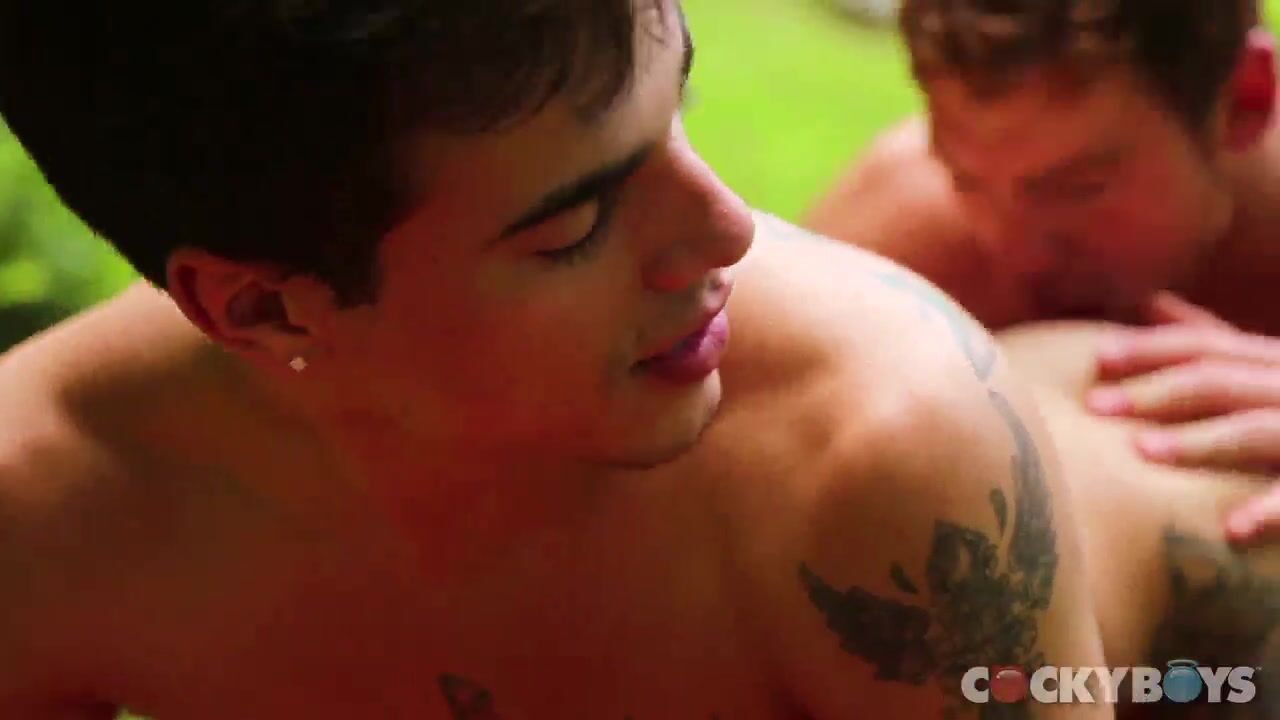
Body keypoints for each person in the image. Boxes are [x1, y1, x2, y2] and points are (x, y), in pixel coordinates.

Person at [0, 2, 1107, 718]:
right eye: (575, 225)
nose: (728, 230)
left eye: (678, 107)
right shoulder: (44, 510)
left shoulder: (877, 451)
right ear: (263, 309)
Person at [806, 0, 1280, 535]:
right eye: (965, 179)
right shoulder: (899, 250)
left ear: (1245, 101)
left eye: (1077, 189)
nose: (1015, 252)